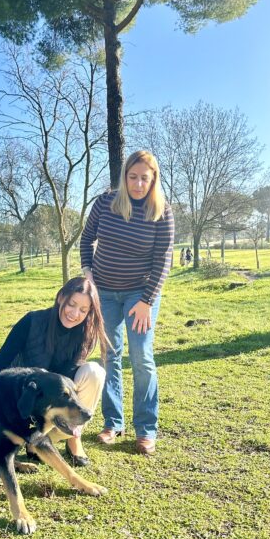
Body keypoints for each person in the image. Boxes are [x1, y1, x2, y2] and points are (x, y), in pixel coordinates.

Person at [80, 150, 174, 455]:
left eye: (144, 178)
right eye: (132, 177)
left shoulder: (162, 212)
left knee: (141, 357)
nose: (137, 183)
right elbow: (86, 239)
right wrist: (88, 275)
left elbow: (163, 260)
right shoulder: (106, 203)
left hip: (140, 295)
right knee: (109, 356)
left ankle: (146, 429)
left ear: (153, 179)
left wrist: (147, 300)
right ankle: (113, 422)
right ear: (124, 177)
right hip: (104, 292)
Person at [0, 276, 106, 466]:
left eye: (83, 310)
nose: (75, 314)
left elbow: (67, 380)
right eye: (71, 304)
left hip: (49, 412)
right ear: (61, 297)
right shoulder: (32, 321)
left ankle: (71, 437)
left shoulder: (85, 334)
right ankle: (31, 440)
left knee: (94, 372)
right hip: (21, 403)